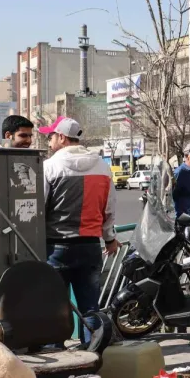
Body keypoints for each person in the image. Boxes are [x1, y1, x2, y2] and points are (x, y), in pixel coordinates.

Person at [40, 116, 117, 344]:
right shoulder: (103, 167)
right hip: (90, 246)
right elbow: (109, 209)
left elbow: (39, 208)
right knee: (90, 308)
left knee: (54, 307)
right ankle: (92, 354)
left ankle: (56, 354)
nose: (49, 141)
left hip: (56, 246)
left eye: (51, 136)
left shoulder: (50, 167)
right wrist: (109, 239)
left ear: (62, 137)